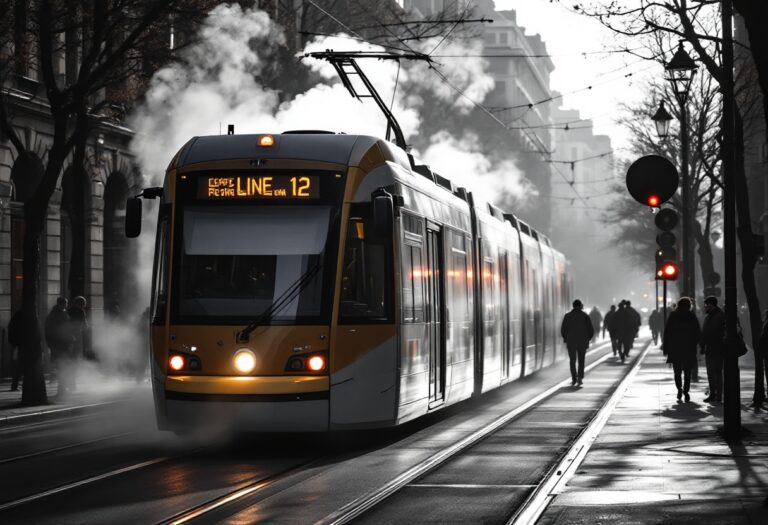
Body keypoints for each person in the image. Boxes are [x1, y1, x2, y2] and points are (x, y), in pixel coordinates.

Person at [663, 297, 701, 402]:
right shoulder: (691, 316)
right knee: (687, 372)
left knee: (677, 371)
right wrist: (697, 344)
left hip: (675, 348)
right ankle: (686, 391)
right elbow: (697, 332)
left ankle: (679, 388)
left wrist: (666, 348)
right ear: (689, 306)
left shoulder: (673, 316)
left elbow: (667, 333)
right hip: (688, 348)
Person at [561, 299, 594, 387]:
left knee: (572, 361)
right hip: (582, 342)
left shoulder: (567, 316)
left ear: (573, 306)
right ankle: (580, 377)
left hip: (571, 342)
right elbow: (591, 330)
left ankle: (574, 378)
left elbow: (563, 330)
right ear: (580, 306)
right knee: (581, 360)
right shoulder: (585, 316)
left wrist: (566, 338)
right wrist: (587, 339)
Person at [45, 298, 74, 396]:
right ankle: (62, 389)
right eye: (65, 303)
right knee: (63, 367)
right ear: (62, 304)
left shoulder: (53, 315)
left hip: (56, 345)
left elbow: (47, 331)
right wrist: (70, 340)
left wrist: (50, 344)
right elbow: (66, 330)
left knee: (60, 366)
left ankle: (62, 388)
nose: (66, 305)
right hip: (62, 345)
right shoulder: (61, 315)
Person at [700, 296, 725, 403]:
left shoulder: (719, 316)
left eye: (706, 305)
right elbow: (705, 333)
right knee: (711, 373)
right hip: (710, 348)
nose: (705, 307)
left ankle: (717, 395)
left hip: (717, 348)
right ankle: (714, 394)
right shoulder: (710, 316)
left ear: (711, 305)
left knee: (716, 373)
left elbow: (712, 333)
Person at [68, 296, 93, 361]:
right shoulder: (81, 311)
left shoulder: (69, 310)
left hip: (70, 333)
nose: (84, 306)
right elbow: (84, 324)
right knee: (78, 350)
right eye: (83, 304)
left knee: (72, 351)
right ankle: (77, 364)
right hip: (77, 332)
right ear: (80, 303)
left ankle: (72, 364)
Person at [7, 310, 24, 391]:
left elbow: (10, 333)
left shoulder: (14, 320)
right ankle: (16, 385)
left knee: (17, 366)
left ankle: (15, 385)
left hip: (16, 345)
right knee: (20, 366)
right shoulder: (23, 319)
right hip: (21, 345)